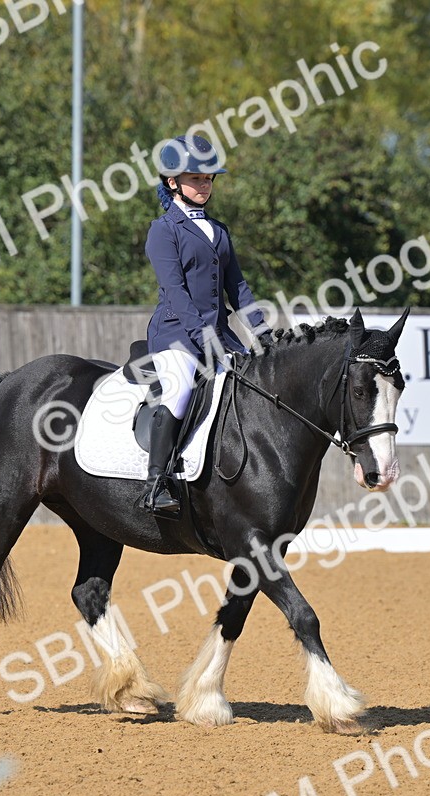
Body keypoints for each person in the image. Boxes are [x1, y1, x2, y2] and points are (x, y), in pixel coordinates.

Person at [138, 134, 272, 516]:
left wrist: (260, 332)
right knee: (179, 391)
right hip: (176, 334)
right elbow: (175, 291)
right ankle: (156, 483)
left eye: (209, 179)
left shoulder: (220, 231)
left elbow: (238, 288)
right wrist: (204, 336)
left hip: (220, 335)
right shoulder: (163, 230)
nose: (204, 185)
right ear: (172, 182)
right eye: (196, 179)